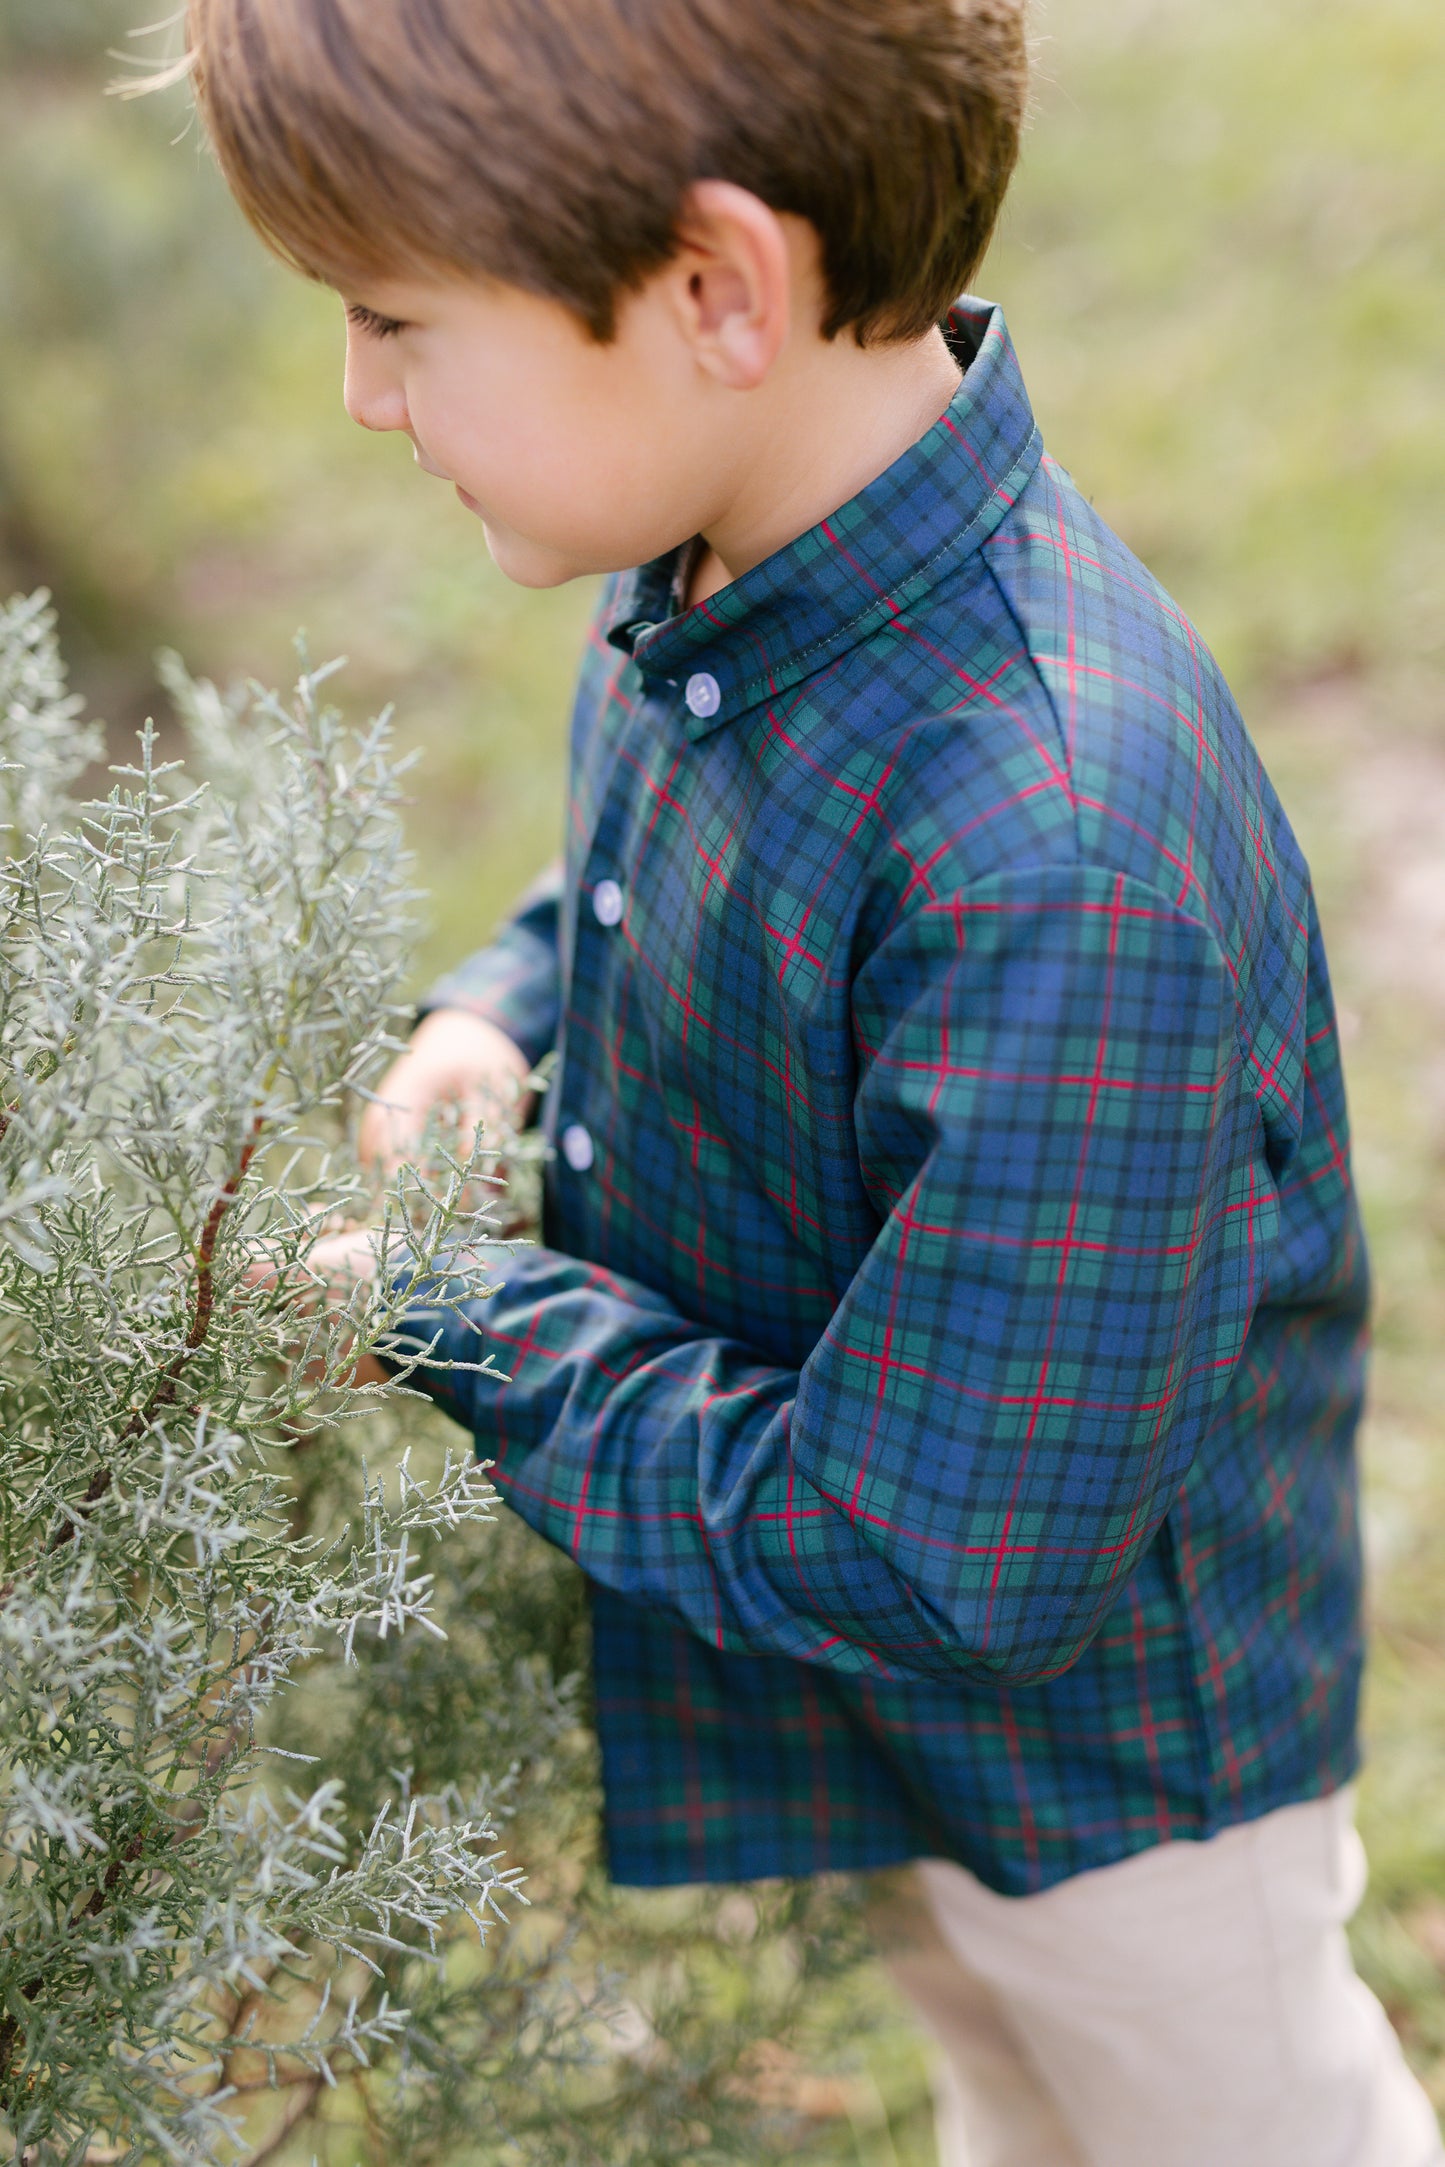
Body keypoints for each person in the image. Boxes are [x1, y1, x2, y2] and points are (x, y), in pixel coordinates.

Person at [181, 1, 1442, 2160]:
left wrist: (458, 1316)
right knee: (1019, 2101)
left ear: (713, 290)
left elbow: (947, 1560)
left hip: (1116, 1786)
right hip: (894, 1716)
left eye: (396, 319)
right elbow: (650, 885)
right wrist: (510, 1006)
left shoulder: (1058, 853)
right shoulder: (733, 565)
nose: (361, 397)